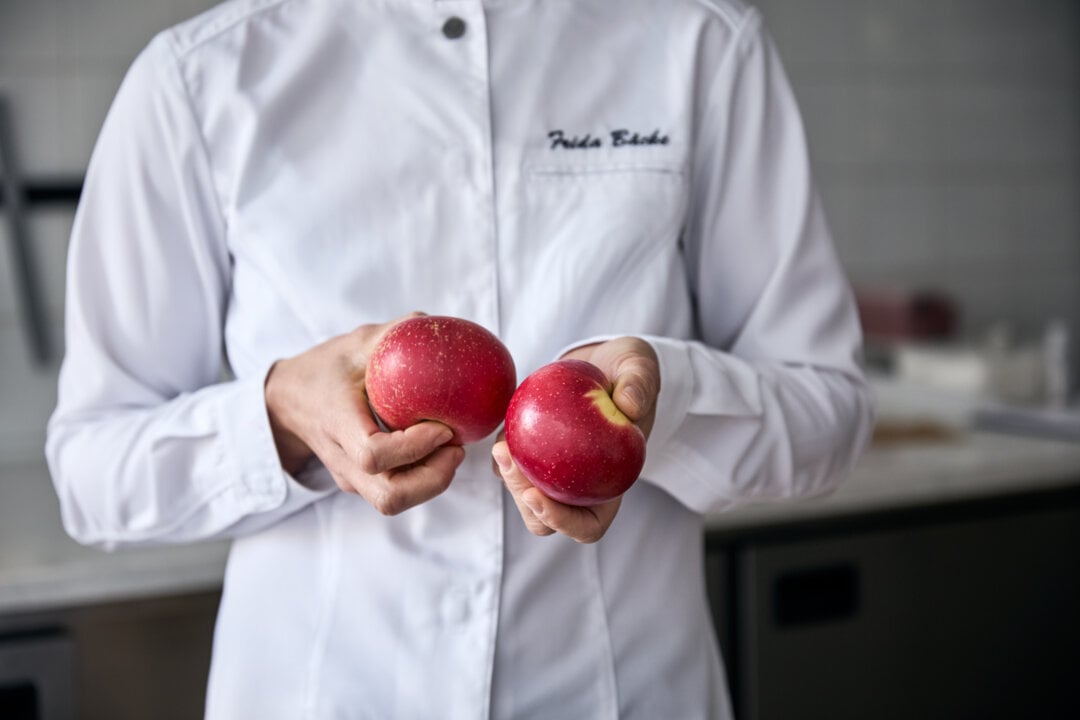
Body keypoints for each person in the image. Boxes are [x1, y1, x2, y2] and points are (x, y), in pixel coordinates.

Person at [46, 0, 873, 717]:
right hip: (323, 696)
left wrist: (671, 397)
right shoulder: (202, 78)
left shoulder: (701, 46)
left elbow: (832, 414)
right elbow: (92, 473)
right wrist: (277, 414)